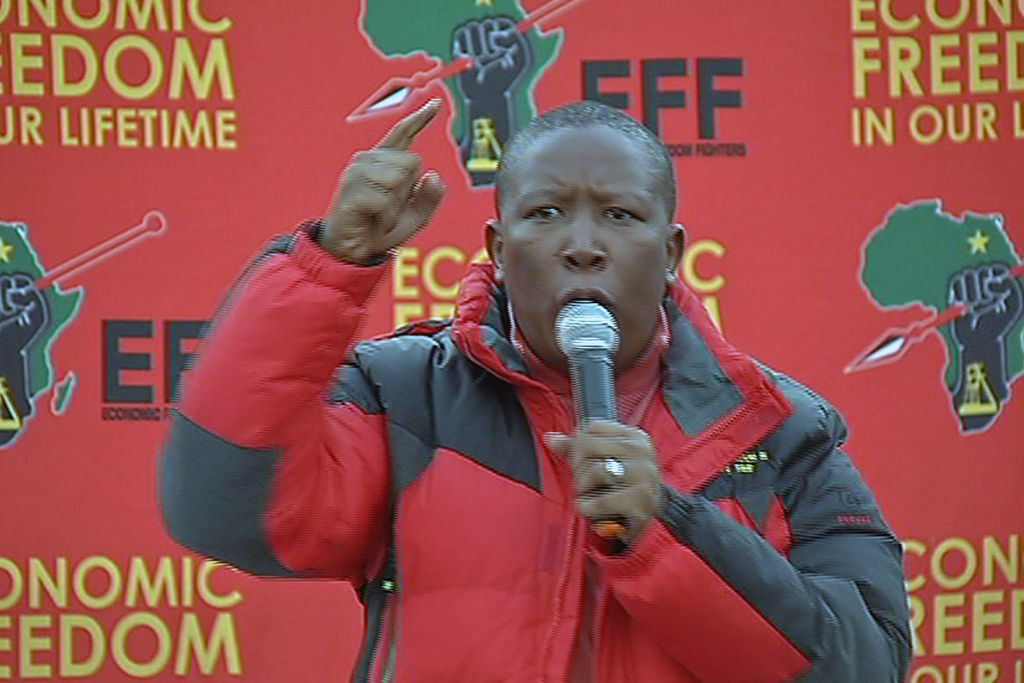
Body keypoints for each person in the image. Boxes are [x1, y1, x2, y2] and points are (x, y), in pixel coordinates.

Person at [160, 99, 911, 682]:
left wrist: (669, 527)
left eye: (619, 215)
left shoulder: (779, 430)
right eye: (545, 214)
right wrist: (331, 263)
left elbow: (865, 663)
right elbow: (224, 511)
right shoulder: (404, 397)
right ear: (498, 246)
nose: (582, 245)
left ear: (671, 250)